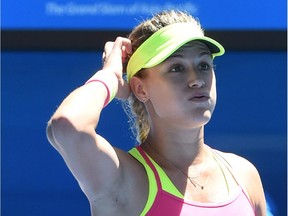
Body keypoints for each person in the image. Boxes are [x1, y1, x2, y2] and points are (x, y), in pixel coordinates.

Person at [46, 10, 266, 215]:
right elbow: (67, 127)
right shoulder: (126, 180)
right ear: (141, 89)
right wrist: (110, 76)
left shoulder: (244, 175)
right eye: (176, 68)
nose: (197, 80)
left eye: (204, 65)